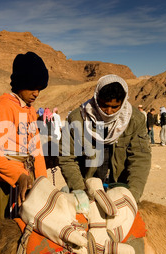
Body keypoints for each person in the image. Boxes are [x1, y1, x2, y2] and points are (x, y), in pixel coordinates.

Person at [58, 74, 151, 203]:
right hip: (86, 187)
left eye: (114, 107)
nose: (108, 111)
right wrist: (81, 191)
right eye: (104, 105)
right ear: (96, 99)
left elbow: (140, 159)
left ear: (123, 103)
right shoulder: (77, 118)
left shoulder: (135, 120)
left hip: (120, 188)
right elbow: (67, 157)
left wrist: (132, 195)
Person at [0, 52, 48, 219]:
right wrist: (18, 175)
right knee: (7, 235)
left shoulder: (30, 110)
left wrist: (43, 182)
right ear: (21, 82)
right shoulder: (4, 108)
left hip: (26, 180)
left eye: (39, 89)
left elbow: (37, 151)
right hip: (4, 184)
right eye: (33, 87)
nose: (36, 93)